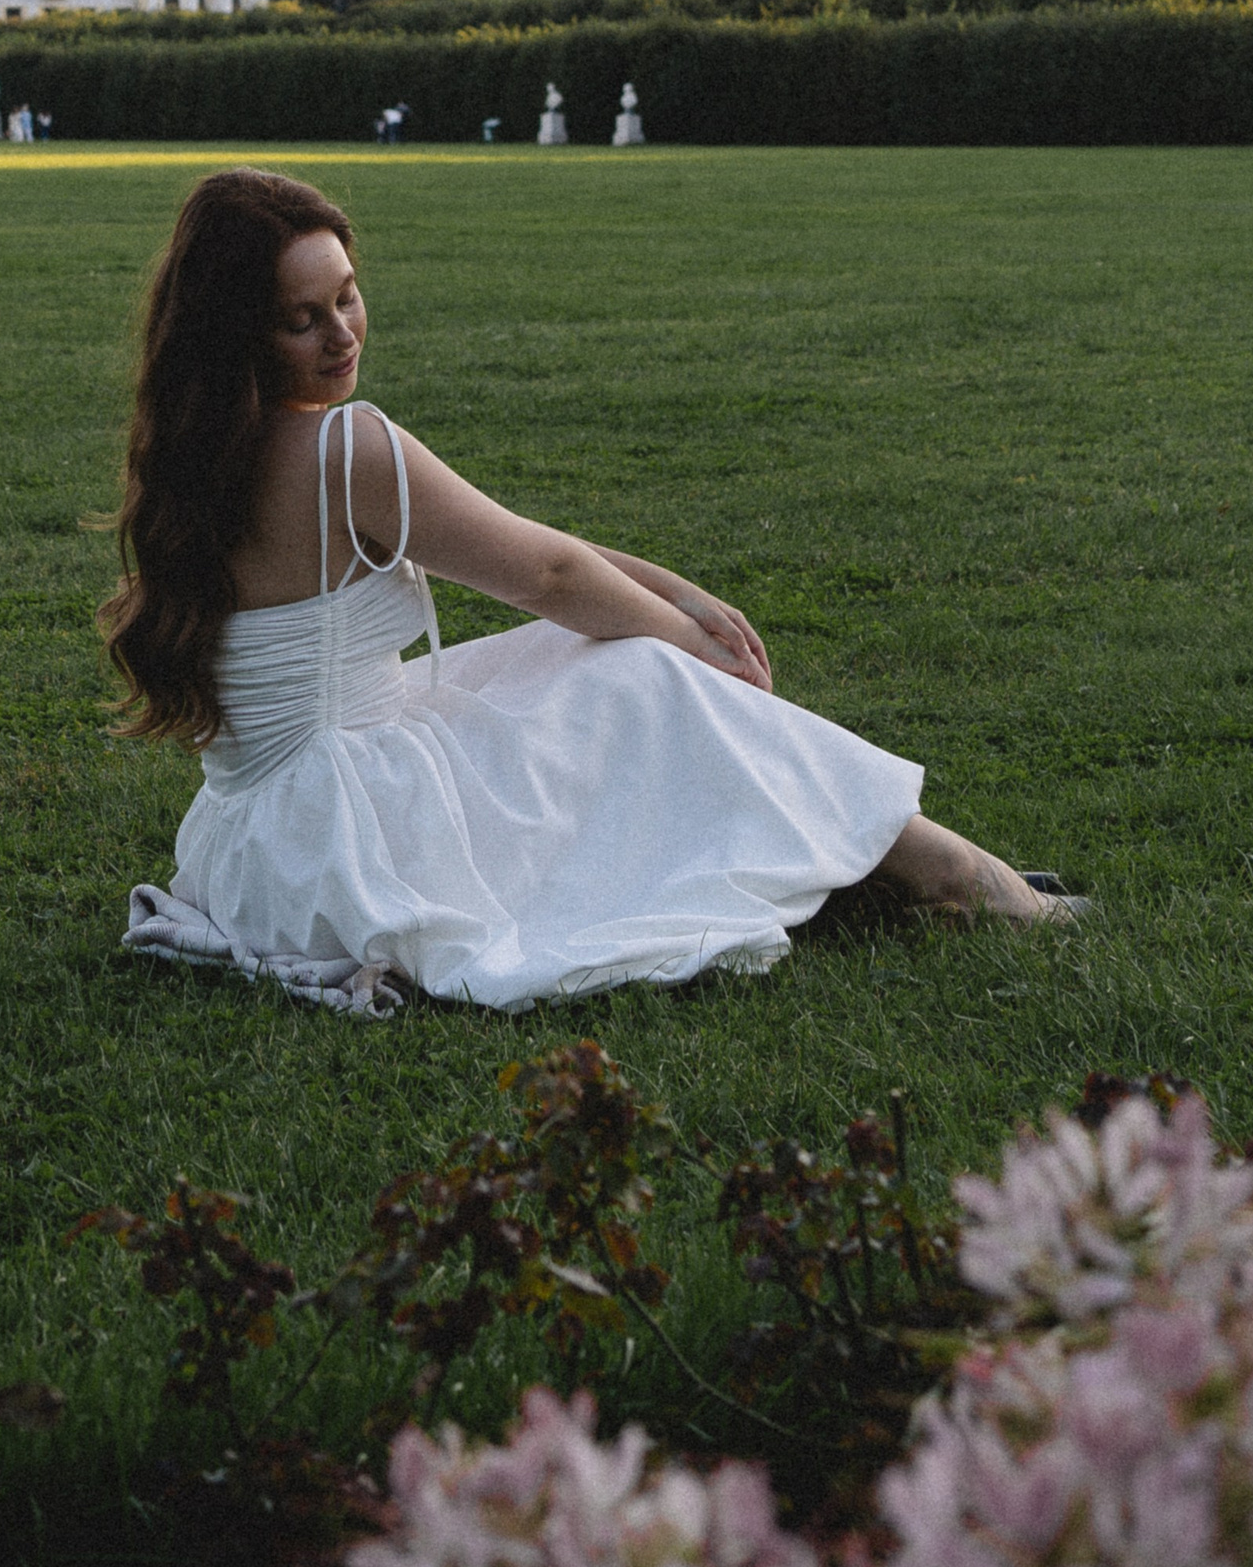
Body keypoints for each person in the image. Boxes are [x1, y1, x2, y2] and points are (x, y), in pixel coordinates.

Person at [112, 169, 1081, 1018]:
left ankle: (852, 864)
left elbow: (539, 553)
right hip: (358, 842)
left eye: (348, 297)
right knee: (645, 677)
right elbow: (546, 574)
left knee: (561, 656)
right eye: (303, 317)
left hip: (256, 852)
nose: (341, 333)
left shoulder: (196, 453)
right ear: (244, 331)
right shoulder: (342, 447)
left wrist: (681, 595)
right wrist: (687, 644)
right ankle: (956, 876)